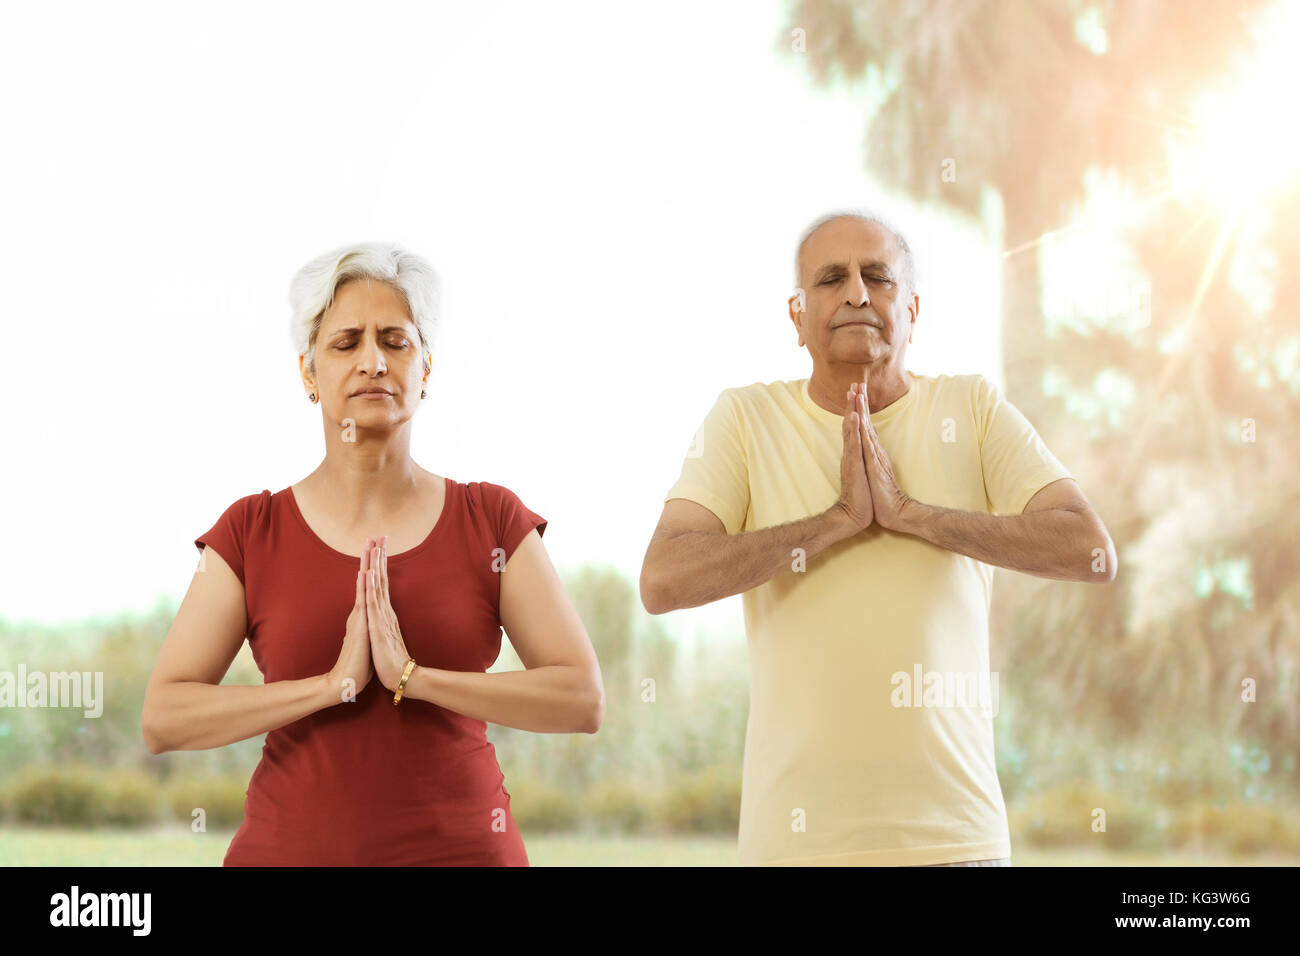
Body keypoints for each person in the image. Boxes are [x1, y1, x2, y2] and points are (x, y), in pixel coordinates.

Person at [639, 211, 1116, 866]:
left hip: (958, 846)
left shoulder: (971, 409)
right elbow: (663, 580)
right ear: (797, 315)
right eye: (832, 279)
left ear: (912, 309)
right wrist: (834, 521)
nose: (858, 294)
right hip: (793, 849)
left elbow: (1088, 548)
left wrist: (912, 514)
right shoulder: (746, 419)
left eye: (879, 277)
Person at [142, 241, 603, 866]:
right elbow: (165, 717)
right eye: (345, 342)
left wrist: (413, 678)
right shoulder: (252, 530)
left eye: (394, 340)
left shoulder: (492, 519)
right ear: (309, 372)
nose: (373, 362)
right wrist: (333, 686)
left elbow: (581, 699)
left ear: (427, 369)